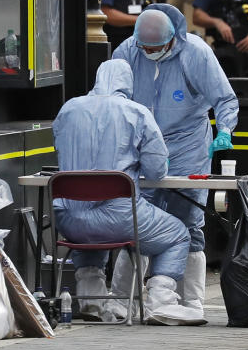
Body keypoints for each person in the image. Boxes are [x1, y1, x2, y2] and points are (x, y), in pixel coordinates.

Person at [111, 5, 239, 320]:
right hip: (143, 147)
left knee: (189, 221)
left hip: (188, 145)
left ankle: (192, 301)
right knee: (137, 221)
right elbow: (111, 95)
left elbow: (224, 98)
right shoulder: (128, 51)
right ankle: (121, 299)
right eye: (146, 48)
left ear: (172, 40)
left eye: (156, 48)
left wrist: (224, 130)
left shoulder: (195, 53)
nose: (149, 53)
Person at [51, 59, 202, 325]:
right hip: (119, 216)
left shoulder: (68, 109)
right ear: (127, 83)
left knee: (87, 226)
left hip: (67, 219)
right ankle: (161, 302)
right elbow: (156, 170)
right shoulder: (136, 112)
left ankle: (92, 301)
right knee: (177, 234)